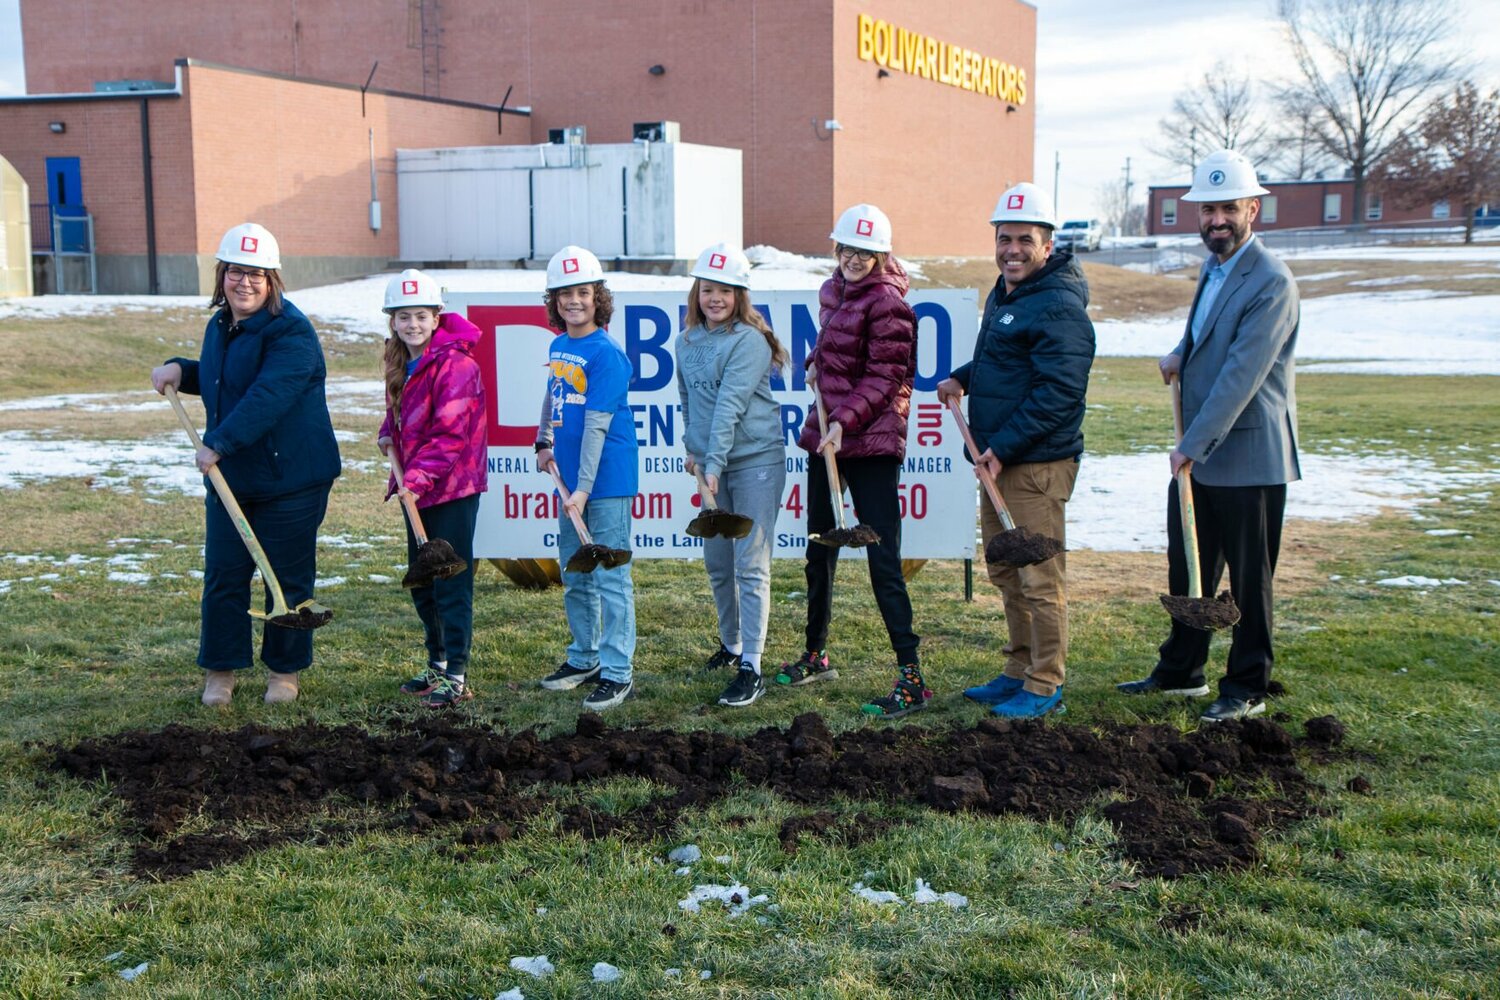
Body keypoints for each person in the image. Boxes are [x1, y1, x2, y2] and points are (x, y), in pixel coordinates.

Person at [1116, 148, 1300, 723]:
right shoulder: (1215, 268)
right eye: (1207, 209)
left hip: (1247, 455)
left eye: (1228, 208)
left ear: (1252, 209)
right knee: (1190, 566)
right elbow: (1208, 337)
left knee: (1248, 580)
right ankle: (1182, 670)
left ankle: (1247, 684)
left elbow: (1240, 377)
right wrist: (1180, 350)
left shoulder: (1271, 281)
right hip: (1202, 452)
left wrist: (1191, 444)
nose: (1216, 219)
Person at [150, 223, 340, 706]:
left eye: (257, 274)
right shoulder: (222, 325)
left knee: (287, 578)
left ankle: (284, 672)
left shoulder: (293, 332)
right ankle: (221, 671)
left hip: (292, 478)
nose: (245, 282)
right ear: (223, 275)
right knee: (224, 575)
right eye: (236, 271)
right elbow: (226, 381)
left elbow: (268, 395)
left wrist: (219, 442)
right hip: (234, 476)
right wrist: (182, 369)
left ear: (273, 279)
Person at [938, 183, 1096, 720]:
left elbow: (1059, 394)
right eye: (1004, 239)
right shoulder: (1007, 292)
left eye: (1024, 240)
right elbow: (1001, 361)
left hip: (1034, 467)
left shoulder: (1058, 306)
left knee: (1039, 576)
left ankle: (1046, 680)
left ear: (1048, 244)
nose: (1012, 250)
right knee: (1007, 571)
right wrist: (962, 377)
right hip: (997, 463)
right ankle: (1017, 668)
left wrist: (1002, 447)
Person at [773, 204, 924, 719]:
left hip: (871, 443)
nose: (854, 259)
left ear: (881, 255)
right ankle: (816, 654)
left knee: (883, 562)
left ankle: (911, 678)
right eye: (847, 250)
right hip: (827, 438)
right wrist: (817, 364)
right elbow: (840, 355)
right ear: (835, 250)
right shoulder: (833, 291)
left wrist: (846, 421)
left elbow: (885, 378)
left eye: (865, 252)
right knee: (820, 549)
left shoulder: (890, 305)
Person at [676, 243, 789, 708]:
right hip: (712, 464)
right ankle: (732, 646)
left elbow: (729, 406)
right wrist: (692, 450)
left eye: (725, 290)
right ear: (697, 292)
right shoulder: (685, 342)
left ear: (739, 295)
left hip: (756, 461)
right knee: (718, 564)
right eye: (708, 289)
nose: (715, 298)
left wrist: (714, 462)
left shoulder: (749, 341)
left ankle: (753, 665)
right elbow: (689, 402)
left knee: (750, 564)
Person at [533, 246, 639, 711]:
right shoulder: (560, 345)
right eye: (565, 294)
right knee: (576, 575)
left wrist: (582, 489)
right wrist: (543, 441)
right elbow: (553, 394)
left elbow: (597, 426)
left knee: (611, 577)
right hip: (571, 477)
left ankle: (618, 671)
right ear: (554, 301)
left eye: (583, 293)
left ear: (598, 298)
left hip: (605, 480)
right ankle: (584, 657)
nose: (573, 301)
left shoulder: (608, 355)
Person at [376, 269, 488, 708]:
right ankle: (436, 664)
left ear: (437, 317)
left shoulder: (457, 365)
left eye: (421, 315)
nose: (412, 325)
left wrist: (416, 482)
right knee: (423, 581)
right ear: (393, 320)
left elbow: (450, 435)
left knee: (450, 582)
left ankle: (457, 675)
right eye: (403, 316)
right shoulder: (400, 358)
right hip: (416, 489)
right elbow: (401, 411)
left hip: (451, 488)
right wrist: (389, 431)